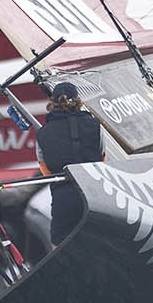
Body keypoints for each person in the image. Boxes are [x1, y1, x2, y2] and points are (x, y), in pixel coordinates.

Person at [35, 82, 105, 246]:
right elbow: (102, 158)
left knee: (61, 246)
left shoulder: (42, 134)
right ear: (78, 100)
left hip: (63, 199)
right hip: (96, 196)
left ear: (53, 103)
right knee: (98, 243)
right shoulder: (95, 126)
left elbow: (45, 170)